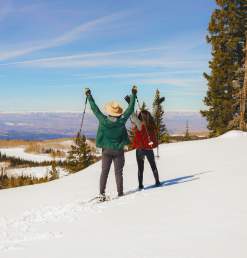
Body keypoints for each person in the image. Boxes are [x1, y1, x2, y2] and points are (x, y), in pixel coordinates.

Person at [85, 86, 137, 200]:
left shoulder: (103, 120)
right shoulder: (122, 120)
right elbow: (130, 108)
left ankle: (101, 193)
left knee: (104, 172)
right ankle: (120, 193)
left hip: (106, 150)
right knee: (118, 173)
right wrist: (133, 94)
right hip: (118, 150)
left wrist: (89, 95)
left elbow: (95, 109)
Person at [130, 109, 161, 190]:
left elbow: (133, 117)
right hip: (149, 148)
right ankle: (157, 182)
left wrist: (130, 103)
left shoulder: (139, 125)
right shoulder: (152, 125)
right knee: (153, 166)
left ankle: (140, 185)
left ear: (140, 117)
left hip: (140, 149)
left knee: (140, 168)